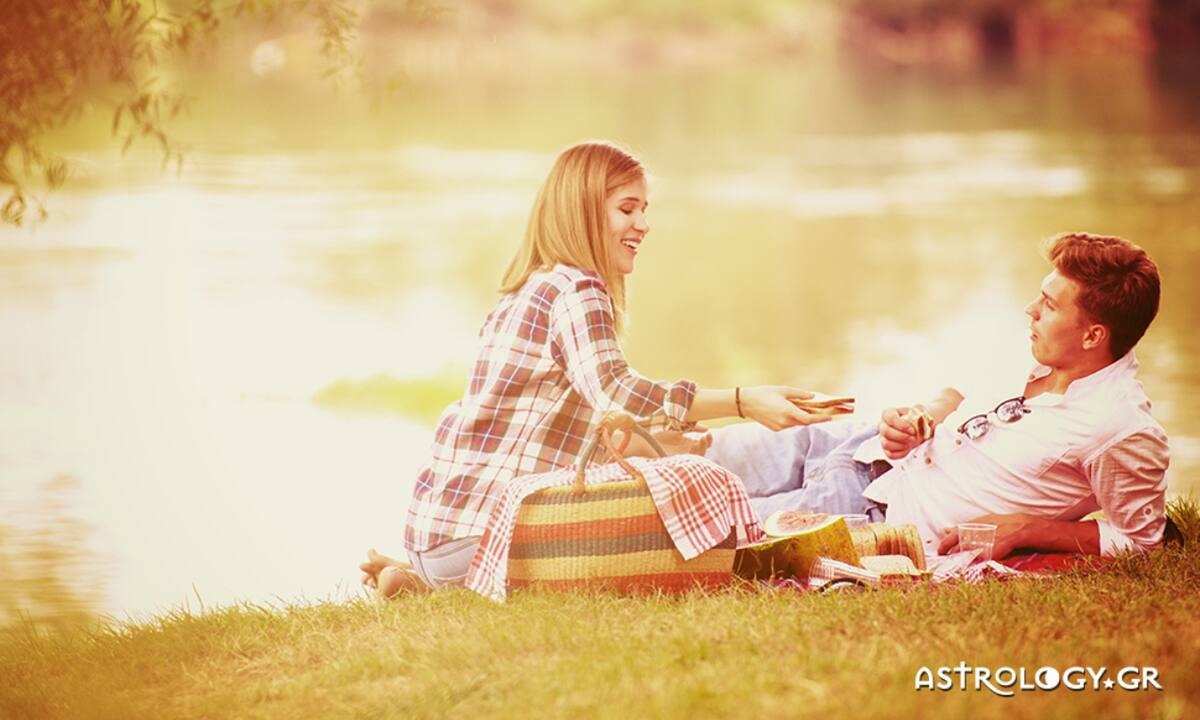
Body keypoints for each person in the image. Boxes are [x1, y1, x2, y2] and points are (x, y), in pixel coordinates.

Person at [360, 140, 835, 596]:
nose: (643, 223)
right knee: (698, 516)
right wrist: (742, 401)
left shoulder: (525, 290)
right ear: (584, 211)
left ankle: (426, 581)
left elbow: (543, 434)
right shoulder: (576, 290)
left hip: (436, 534)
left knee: (666, 476)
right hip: (487, 536)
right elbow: (616, 391)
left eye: (644, 209)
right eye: (627, 209)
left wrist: (651, 442)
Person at [707, 232, 1169, 561]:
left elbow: (1142, 540)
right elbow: (954, 396)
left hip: (872, 511)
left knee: (686, 521)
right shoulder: (1038, 347)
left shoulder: (1121, 428)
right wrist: (918, 419)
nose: (1030, 309)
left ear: (1092, 337)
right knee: (697, 451)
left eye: (1049, 306)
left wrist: (1028, 529)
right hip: (857, 445)